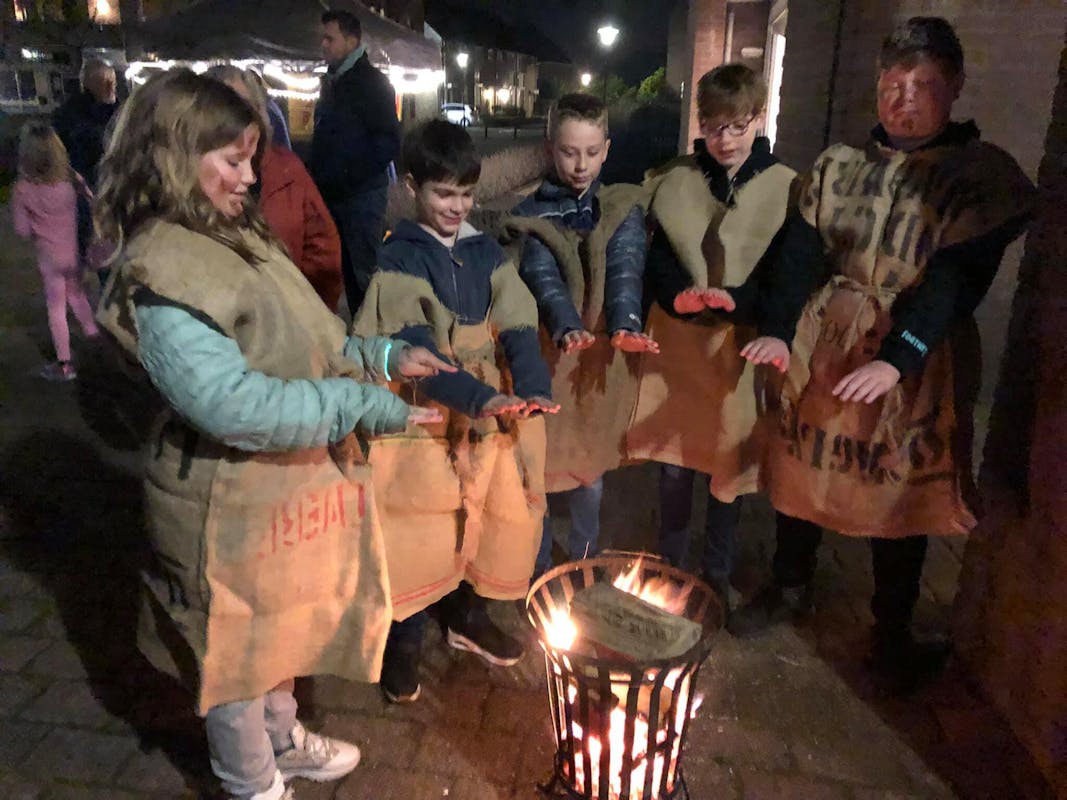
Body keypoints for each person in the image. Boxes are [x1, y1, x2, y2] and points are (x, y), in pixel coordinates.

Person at [93, 69, 452, 800]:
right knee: (236, 652)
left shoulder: (232, 233)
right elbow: (234, 406)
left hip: (271, 489)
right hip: (219, 498)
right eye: (233, 160)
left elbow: (307, 337)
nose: (250, 178)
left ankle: (282, 742)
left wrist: (380, 358)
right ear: (173, 156)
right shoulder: (165, 269)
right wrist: (357, 405)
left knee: (279, 629)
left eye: (251, 158)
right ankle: (251, 781)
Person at [727, 18, 1035, 693]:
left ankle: (890, 630)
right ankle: (789, 583)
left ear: (954, 86)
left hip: (913, 357)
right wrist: (778, 326)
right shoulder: (838, 166)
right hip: (828, 342)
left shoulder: (974, 177)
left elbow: (957, 275)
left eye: (923, 85)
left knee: (898, 483)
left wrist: (900, 355)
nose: (904, 100)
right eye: (893, 84)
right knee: (802, 461)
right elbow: (799, 253)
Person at [352, 119, 559, 704]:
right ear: (412, 187)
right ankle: (404, 640)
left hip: (486, 412)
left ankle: (467, 614)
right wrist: (479, 398)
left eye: (466, 194)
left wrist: (531, 383)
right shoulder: (400, 258)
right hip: (426, 412)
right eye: (443, 193)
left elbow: (518, 320)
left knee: (486, 511)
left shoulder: (484, 250)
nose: (456, 206)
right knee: (420, 523)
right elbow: (417, 344)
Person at [625, 65, 798, 607]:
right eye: (714, 126)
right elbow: (655, 255)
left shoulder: (786, 187)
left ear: (758, 119)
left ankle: (715, 574)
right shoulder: (675, 179)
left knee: (728, 466)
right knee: (674, 463)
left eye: (737, 126)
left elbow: (787, 269)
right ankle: (670, 563)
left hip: (736, 348)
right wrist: (675, 294)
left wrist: (748, 306)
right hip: (680, 344)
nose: (725, 139)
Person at [506, 93, 654, 576]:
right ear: (551, 148)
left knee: (590, 469)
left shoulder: (619, 208)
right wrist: (566, 324)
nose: (580, 165)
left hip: (597, 361)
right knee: (540, 466)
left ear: (606, 149)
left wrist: (627, 322)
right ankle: (539, 566)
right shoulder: (531, 212)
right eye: (569, 152)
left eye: (591, 152)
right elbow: (542, 272)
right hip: (549, 355)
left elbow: (626, 267)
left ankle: (584, 561)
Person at [208, 65, 343, 311]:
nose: (235, 118)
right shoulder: (192, 180)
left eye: (244, 106)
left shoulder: (287, 169)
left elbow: (323, 250)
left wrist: (311, 311)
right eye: (224, 106)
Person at [311, 9, 400, 315]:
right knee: (345, 272)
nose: (323, 45)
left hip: (361, 198)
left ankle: (375, 332)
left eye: (330, 38)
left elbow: (388, 141)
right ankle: (361, 330)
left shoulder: (372, 83)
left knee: (364, 273)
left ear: (351, 41)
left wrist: (348, 175)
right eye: (322, 38)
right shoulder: (333, 82)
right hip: (336, 196)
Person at [12, 121, 101, 381]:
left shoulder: (23, 189)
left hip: (49, 260)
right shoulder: (71, 179)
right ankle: (96, 341)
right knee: (78, 296)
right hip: (73, 253)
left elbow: (22, 230)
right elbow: (92, 202)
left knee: (56, 308)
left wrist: (37, 225)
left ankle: (65, 364)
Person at [53, 57, 118, 262]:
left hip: (104, 186)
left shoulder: (117, 110)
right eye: (106, 81)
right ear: (90, 83)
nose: (111, 87)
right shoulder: (71, 114)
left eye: (112, 81)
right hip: (84, 186)